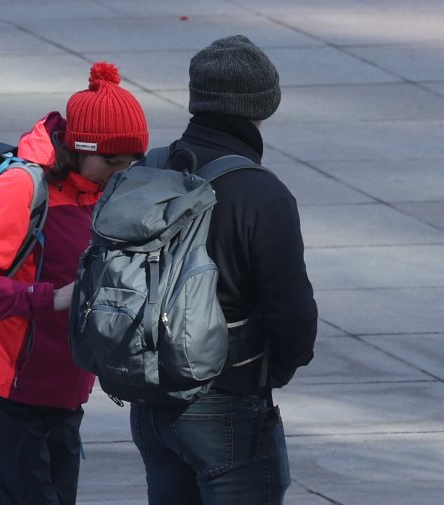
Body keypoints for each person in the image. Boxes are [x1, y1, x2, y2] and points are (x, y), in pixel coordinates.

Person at [0, 61, 148, 505]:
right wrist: (54, 298)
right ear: (79, 148)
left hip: (64, 394)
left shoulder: (104, 194)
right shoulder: (20, 188)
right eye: (111, 161)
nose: (121, 173)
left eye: (131, 163)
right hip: (3, 394)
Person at [129, 35, 318, 505]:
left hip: (150, 402)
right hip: (227, 402)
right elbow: (293, 315)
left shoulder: (149, 170)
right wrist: (273, 370)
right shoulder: (262, 195)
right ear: (263, 104)